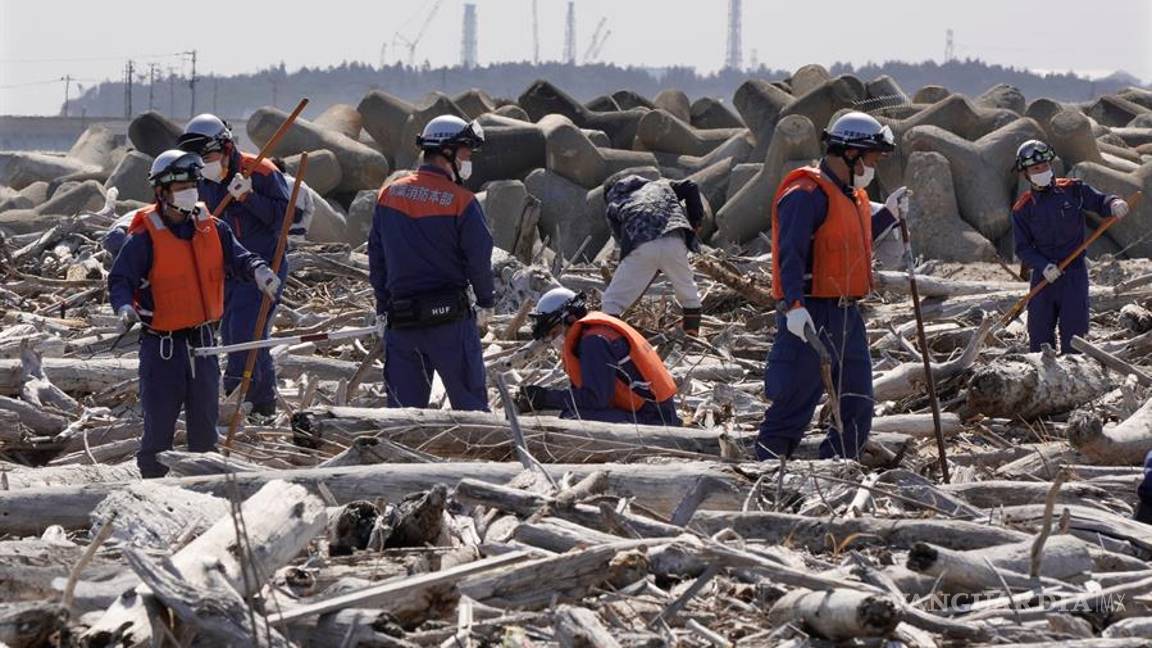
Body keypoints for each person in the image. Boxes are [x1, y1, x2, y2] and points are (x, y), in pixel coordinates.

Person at [107, 150, 279, 478]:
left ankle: (206, 490)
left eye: (192, 185)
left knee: (204, 434)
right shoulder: (144, 237)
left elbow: (240, 258)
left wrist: (260, 271)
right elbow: (120, 280)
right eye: (181, 187)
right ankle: (152, 492)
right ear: (162, 192)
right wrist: (124, 307)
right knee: (158, 434)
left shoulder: (211, 227)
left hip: (203, 346)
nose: (189, 192)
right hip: (163, 350)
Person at [756, 111, 909, 461]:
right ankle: (765, 472)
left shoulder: (852, 196)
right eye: (872, 159)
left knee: (858, 403)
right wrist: (794, 307)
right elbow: (790, 256)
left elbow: (853, 243)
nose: (874, 167)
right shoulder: (804, 194)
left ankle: (838, 470)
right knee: (793, 405)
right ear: (851, 153)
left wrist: (889, 213)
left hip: (847, 315)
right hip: (811, 313)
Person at [368, 115, 494, 411]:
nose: (468, 159)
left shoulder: (389, 194)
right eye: (465, 151)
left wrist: (382, 307)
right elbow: (478, 259)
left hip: (402, 323)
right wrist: (486, 301)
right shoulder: (462, 201)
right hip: (450, 323)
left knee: (401, 416)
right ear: (446, 151)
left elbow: (377, 258)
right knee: (473, 414)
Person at [177, 114, 292, 419]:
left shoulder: (261, 171)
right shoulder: (201, 179)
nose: (203, 163)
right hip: (226, 270)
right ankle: (262, 403)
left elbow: (285, 219)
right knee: (236, 333)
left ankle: (239, 399)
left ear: (226, 148)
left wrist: (249, 197)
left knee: (244, 334)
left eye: (208, 156)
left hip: (263, 267)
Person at [1011, 139, 1129, 354]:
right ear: (1025, 173)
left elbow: (1100, 201)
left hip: (1074, 274)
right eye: (1036, 168)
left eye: (1045, 166)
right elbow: (1023, 248)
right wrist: (1044, 266)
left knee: (1075, 337)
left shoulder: (1073, 190)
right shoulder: (1023, 208)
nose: (1042, 171)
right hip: (1043, 278)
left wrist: (1113, 203)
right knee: (1039, 335)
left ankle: (1076, 370)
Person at [516, 287, 681, 425]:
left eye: (554, 332)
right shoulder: (595, 334)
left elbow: (596, 399)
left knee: (570, 418)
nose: (554, 339)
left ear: (570, 318)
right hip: (656, 412)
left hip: (654, 419)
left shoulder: (594, 342)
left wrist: (545, 398)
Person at [600, 174, 705, 335]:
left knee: (612, 302)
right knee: (689, 295)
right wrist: (695, 223)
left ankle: (612, 339)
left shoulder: (614, 202)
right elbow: (691, 186)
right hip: (675, 238)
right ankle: (692, 337)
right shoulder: (661, 185)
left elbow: (623, 240)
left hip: (642, 243)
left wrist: (642, 265)